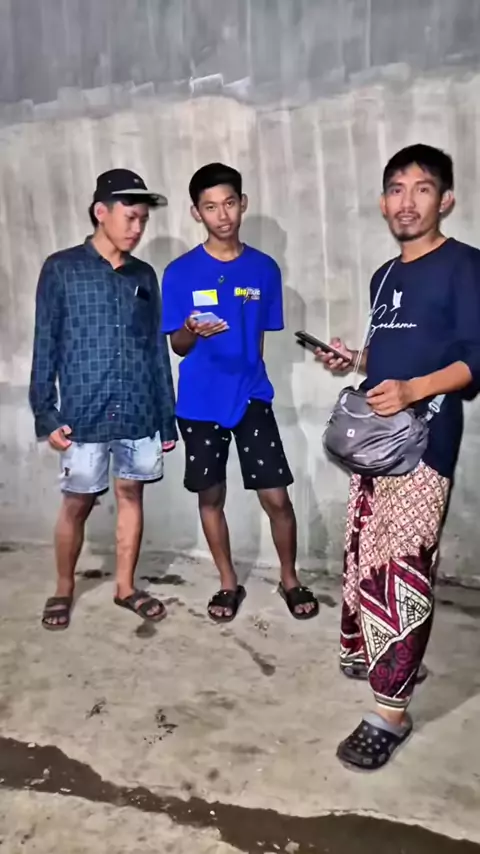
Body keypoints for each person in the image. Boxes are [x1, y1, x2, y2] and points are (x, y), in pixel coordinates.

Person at [318, 143, 480, 771]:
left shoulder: (464, 265)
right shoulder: (384, 275)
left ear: (446, 200)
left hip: (424, 444)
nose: (407, 201)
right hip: (375, 442)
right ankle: (388, 658)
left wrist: (414, 390)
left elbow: (475, 358)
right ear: (383, 202)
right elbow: (394, 352)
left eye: (421, 188)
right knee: (368, 556)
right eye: (396, 189)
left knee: (402, 568)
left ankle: (391, 714)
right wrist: (355, 360)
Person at [161, 162, 318, 622]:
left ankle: (289, 578)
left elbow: (259, 340)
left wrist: (253, 377)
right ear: (197, 213)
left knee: (277, 499)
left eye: (229, 202)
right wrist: (191, 329)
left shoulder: (264, 269)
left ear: (242, 203)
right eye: (210, 206)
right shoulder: (180, 273)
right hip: (199, 402)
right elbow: (178, 346)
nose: (222, 214)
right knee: (210, 497)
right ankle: (228, 583)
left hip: (251, 396)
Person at [29, 168, 177, 630]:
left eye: (143, 220)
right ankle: (63, 587)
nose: (137, 228)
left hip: (138, 408)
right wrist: (45, 412)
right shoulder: (61, 269)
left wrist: (166, 417)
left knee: (131, 493)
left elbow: (156, 349)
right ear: (100, 212)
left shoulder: (143, 275)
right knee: (77, 501)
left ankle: (125, 587)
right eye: (130, 217)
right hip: (83, 411)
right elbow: (45, 343)